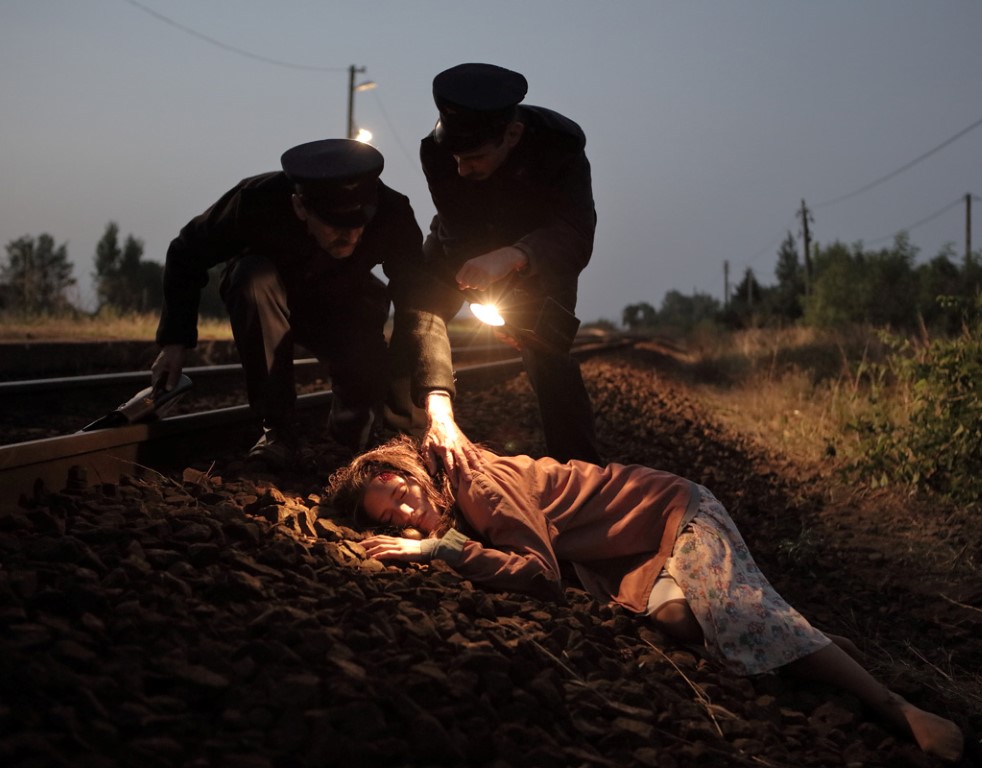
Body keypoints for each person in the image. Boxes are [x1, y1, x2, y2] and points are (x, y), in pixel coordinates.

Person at [325, 435, 966, 763]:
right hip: (631, 554)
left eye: (400, 496)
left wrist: (440, 552)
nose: (406, 516)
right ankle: (811, 641)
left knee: (735, 615)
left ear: (409, 475)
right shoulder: (454, 502)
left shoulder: (480, 487)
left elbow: (540, 575)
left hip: (676, 513)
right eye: (389, 519)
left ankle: (896, 705)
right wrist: (439, 545)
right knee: (676, 619)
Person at [152, 138, 424, 467]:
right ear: (299, 206)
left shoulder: (392, 212)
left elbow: (415, 300)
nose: (350, 236)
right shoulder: (255, 201)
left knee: (367, 322)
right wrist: (175, 341)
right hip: (268, 301)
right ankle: (277, 431)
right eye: (334, 225)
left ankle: (354, 432)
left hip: (344, 303)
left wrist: (406, 415)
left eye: (358, 224)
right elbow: (186, 251)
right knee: (252, 278)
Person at [388, 62, 602, 471]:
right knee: (417, 312)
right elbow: (459, 230)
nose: (462, 169)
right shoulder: (436, 151)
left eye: (475, 158)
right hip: (459, 245)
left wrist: (515, 259)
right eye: (456, 158)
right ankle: (401, 439)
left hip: (541, 255)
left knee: (548, 353)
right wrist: (489, 299)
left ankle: (581, 466)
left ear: (513, 134)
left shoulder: (561, 146)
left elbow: (575, 232)